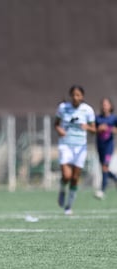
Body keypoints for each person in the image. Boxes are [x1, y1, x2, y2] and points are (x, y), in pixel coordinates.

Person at [54, 85, 96, 215]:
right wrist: (60, 130)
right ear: (70, 96)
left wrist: (87, 128)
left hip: (80, 147)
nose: (75, 97)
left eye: (78, 95)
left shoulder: (88, 110)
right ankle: (62, 189)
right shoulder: (63, 108)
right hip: (66, 144)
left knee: (75, 177)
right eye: (73, 95)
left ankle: (69, 206)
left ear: (82, 96)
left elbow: (94, 130)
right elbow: (56, 124)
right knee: (66, 176)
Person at [94, 98, 117, 199]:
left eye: (106, 104)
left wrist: (111, 129)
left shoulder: (114, 118)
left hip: (109, 146)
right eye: (103, 104)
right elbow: (92, 130)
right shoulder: (97, 118)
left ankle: (102, 190)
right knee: (104, 169)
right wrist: (98, 129)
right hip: (100, 146)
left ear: (110, 106)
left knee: (104, 167)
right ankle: (115, 178)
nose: (104, 106)